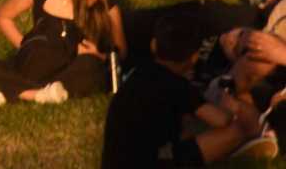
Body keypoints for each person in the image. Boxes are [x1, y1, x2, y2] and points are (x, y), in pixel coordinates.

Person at [101, 14, 263, 169]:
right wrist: (232, 104)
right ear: (194, 57)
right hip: (154, 161)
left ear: (153, 45)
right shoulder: (177, 85)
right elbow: (222, 120)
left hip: (114, 162)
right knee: (235, 131)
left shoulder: (139, 72)